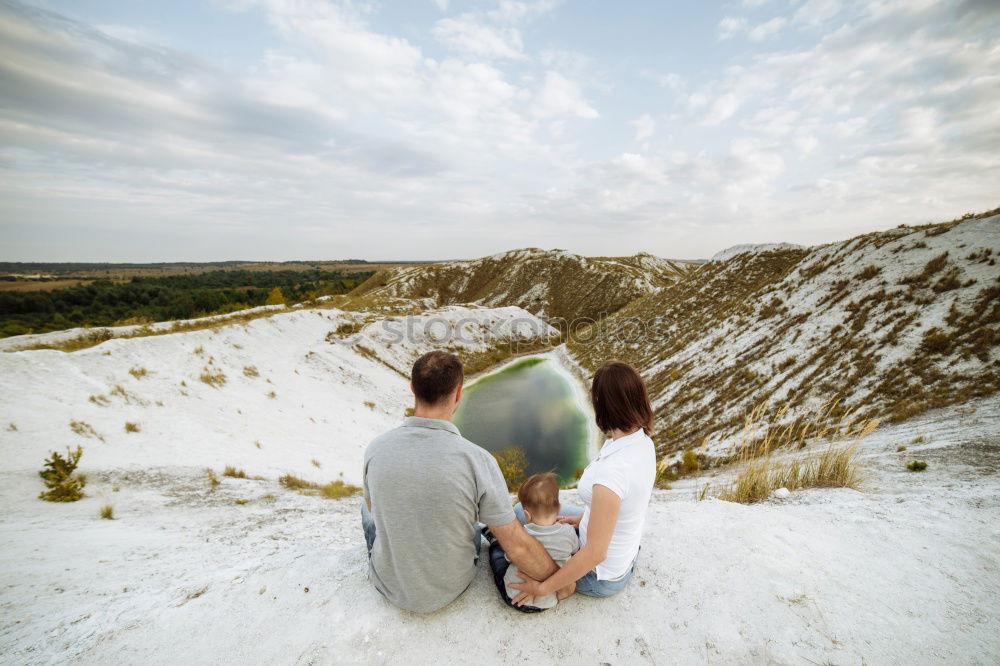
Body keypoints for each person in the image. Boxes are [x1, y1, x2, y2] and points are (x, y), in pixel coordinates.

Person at [361, 350, 560, 614]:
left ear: (412, 388)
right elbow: (518, 546)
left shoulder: (376, 449)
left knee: (366, 509)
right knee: (484, 520)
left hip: (389, 585)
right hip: (451, 586)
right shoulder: (477, 459)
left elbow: (376, 509)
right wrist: (560, 579)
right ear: (458, 394)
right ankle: (487, 522)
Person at [504, 360, 656, 606]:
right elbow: (620, 506)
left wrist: (544, 587)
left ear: (602, 405)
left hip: (601, 576)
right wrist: (583, 520)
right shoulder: (641, 440)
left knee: (522, 525)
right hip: (623, 548)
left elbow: (596, 553)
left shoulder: (612, 473)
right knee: (523, 509)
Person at [500, 474, 579, 609]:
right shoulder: (568, 532)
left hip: (514, 596)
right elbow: (574, 550)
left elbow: (509, 557)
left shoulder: (521, 534)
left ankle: (492, 541)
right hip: (549, 600)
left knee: (497, 554)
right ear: (559, 509)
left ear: (527, 514)